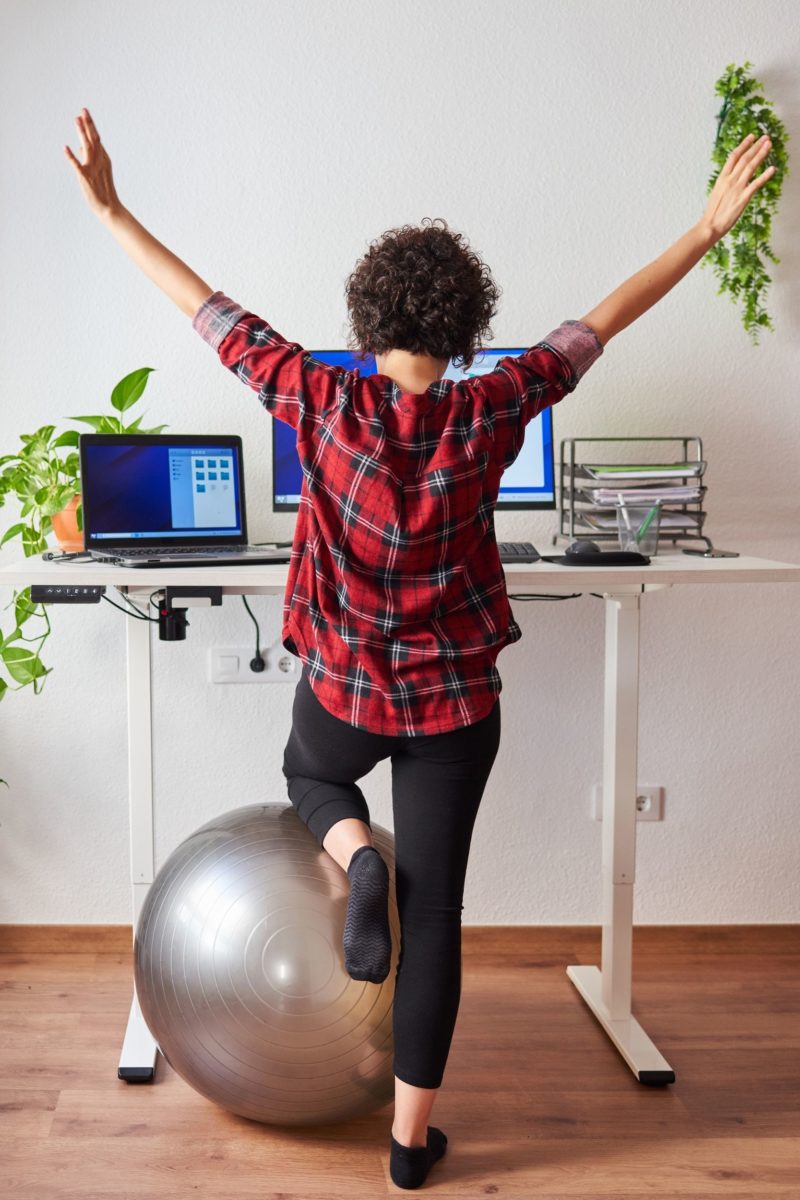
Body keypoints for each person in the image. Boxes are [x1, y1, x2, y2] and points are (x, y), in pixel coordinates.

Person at [65, 107, 774, 1189]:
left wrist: (113, 209)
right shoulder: (494, 404)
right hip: (452, 709)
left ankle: (353, 860)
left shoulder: (313, 394)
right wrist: (704, 230)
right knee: (435, 909)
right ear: (462, 330)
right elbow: (600, 322)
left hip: (346, 693)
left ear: (363, 322)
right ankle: (406, 1146)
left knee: (309, 771)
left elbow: (203, 308)